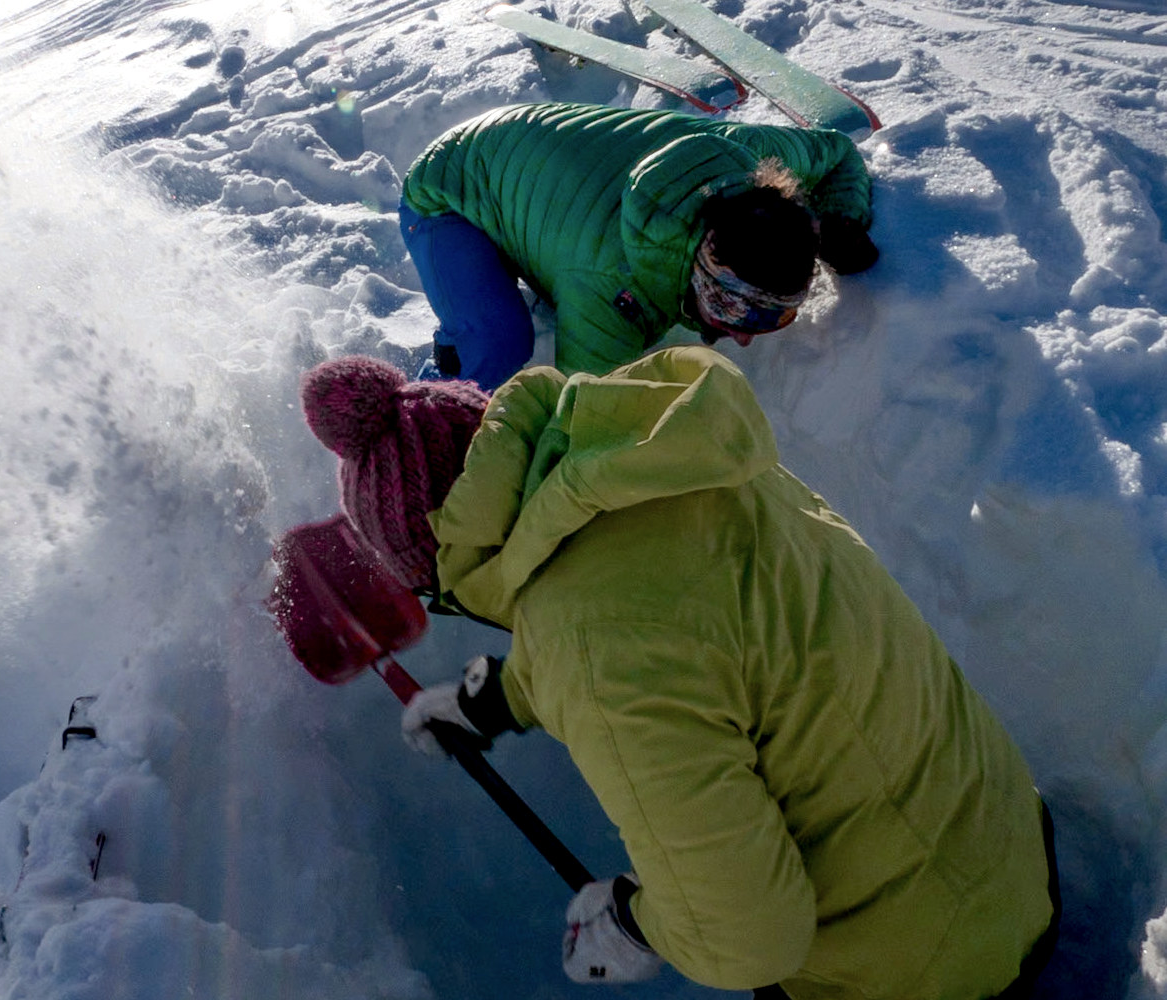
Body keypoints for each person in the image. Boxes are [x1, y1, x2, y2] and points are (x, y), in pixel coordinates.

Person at [297, 350, 1059, 999]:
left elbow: (753, 937)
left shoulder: (596, 645)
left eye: (438, 589)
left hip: (922, 970)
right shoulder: (666, 463)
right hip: (1002, 845)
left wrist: (633, 922)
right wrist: (501, 697)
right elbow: (681, 629)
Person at [399, 102, 879, 392]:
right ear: (701, 271)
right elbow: (586, 417)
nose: (748, 336)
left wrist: (840, 220)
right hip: (452, 185)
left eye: (776, 317)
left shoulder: (751, 158)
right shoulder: (612, 286)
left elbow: (836, 150)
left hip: (528, 163)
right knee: (498, 343)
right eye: (736, 310)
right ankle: (412, 424)